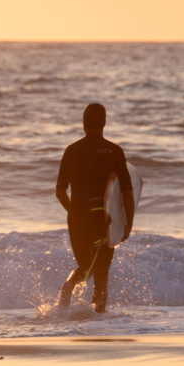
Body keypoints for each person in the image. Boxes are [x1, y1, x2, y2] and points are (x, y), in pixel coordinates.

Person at [55, 103, 134, 312]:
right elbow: (126, 192)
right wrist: (127, 225)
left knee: (85, 267)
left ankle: (70, 284)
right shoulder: (115, 151)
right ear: (104, 123)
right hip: (101, 218)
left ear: (84, 124)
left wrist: (74, 212)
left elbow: (60, 191)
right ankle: (98, 319)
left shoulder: (71, 150)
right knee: (100, 274)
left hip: (76, 217)